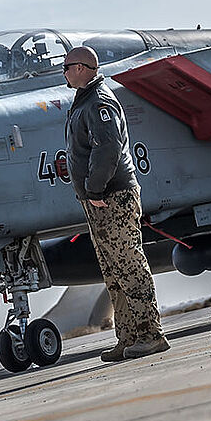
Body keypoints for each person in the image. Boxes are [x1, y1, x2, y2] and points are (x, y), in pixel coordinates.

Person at [62, 46, 170, 362]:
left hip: (112, 197)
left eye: (66, 67)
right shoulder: (85, 101)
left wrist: (94, 188)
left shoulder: (99, 102)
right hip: (98, 200)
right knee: (113, 270)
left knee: (128, 263)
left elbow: (107, 149)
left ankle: (151, 334)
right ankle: (129, 337)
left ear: (82, 68)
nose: (64, 73)